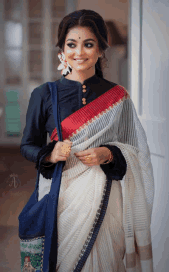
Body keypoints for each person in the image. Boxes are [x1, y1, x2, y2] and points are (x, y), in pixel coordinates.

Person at [20, 9, 154, 272]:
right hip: (61, 200)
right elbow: (27, 146)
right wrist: (49, 153)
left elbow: (137, 152)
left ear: (101, 50)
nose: (79, 52)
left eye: (88, 44)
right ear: (62, 49)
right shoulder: (44, 94)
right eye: (72, 44)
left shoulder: (118, 96)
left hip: (107, 204)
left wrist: (109, 153)